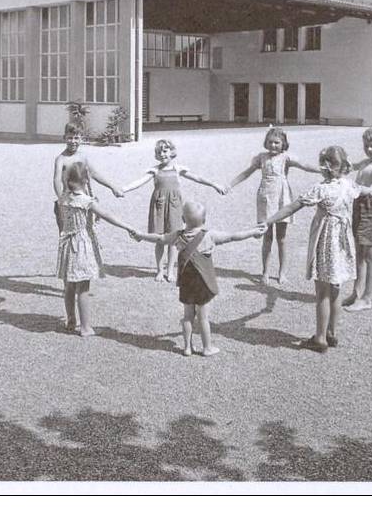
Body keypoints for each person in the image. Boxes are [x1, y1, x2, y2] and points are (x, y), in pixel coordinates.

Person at [264, 146, 365, 353]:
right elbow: (364, 191)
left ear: (324, 167)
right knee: (336, 289)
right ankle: (332, 332)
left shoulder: (321, 189)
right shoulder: (349, 185)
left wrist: (269, 221)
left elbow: (293, 206)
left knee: (322, 293)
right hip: (343, 243)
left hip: (326, 242)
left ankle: (319, 338)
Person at [131, 201, 264, 356]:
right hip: (203, 283)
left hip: (186, 283)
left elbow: (160, 239)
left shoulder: (178, 236)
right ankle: (207, 347)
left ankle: (187, 347)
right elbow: (233, 237)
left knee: (187, 316)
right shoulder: (210, 236)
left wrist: (141, 235)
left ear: (182, 218)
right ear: (204, 220)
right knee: (203, 317)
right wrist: (253, 231)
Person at [121, 139, 228, 282]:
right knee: (159, 239)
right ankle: (159, 270)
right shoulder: (155, 170)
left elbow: (197, 177)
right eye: (159, 152)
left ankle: (170, 270)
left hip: (175, 207)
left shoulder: (178, 169)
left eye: (165, 151)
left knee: (173, 239)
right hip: (159, 207)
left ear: (172, 152)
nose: (162, 154)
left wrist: (214, 184)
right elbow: (139, 181)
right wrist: (123, 189)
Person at [226, 126, 320, 285]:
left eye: (277, 142)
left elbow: (305, 165)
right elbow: (246, 173)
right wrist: (230, 185)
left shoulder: (286, 158)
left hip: (282, 199)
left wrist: (323, 170)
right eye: (270, 142)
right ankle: (265, 271)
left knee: (281, 238)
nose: (273, 145)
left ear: (283, 144)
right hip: (265, 198)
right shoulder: (261, 158)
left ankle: (282, 272)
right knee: (266, 237)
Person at [55, 162, 135, 336]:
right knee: (83, 287)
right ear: (86, 180)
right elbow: (108, 216)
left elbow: (65, 220)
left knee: (69, 285)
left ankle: (70, 320)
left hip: (68, 244)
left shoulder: (63, 199)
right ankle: (85, 327)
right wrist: (128, 227)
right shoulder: (86, 201)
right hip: (82, 245)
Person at [342, 127, 372, 312]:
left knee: (370, 256)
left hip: (371, 206)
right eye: (366, 146)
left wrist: (364, 189)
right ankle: (356, 293)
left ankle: (367, 298)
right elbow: (347, 168)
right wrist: (337, 162)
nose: (369, 149)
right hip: (358, 206)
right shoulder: (364, 162)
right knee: (359, 254)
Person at [53, 122, 123, 230]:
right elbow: (57, 179)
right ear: (64, 138)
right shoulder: (61, 159)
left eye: (76, 138)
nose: (73, 141)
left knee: (87, 231)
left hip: (84, 199)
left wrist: (112, 187)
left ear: (81, 139)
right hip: (69, 201)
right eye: (70, 138)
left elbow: (94, 174)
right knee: (70, 234)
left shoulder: (83, 157)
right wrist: (61, 199)